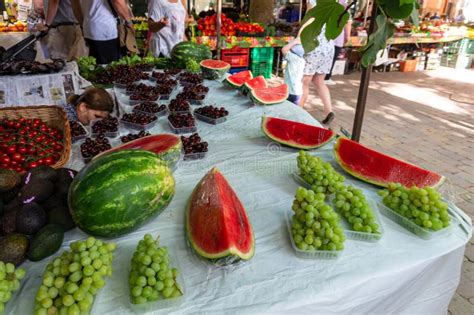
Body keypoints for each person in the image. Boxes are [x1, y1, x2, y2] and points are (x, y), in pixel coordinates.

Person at [300, 0, 335, 125]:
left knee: (305, 81)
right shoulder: (335, 4)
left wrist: (299, 36)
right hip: (329, 46)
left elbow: (309, 20)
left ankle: (298, 112)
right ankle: (328, 111)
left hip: (314, 45)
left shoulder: (313, 1)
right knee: (320, 81)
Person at [324, 0, 352, 85]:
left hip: (325, 36)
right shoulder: (345, 6)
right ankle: (327, 77)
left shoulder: (327, 4)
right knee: (332, 58)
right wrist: (347, 37)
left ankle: (319, 76)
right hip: (337, 38)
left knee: (324, 57)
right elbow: (348, 23)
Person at [281, 38, 305, 105]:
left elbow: (284, 49)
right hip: (298, 92)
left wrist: (294, 42)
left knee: (287, 110)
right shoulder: (302, 60)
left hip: (290, 91)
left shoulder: (293, 58)